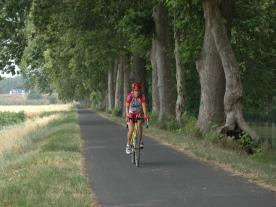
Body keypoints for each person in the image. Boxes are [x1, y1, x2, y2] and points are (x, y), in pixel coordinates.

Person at [125, 82, 148, 154]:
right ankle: (128, 145)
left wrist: (145, 115)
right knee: (131, 129)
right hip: (131, 113)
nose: (137, 92)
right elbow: (127, 107)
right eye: (136, 91)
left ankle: (141, 141)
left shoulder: (142, 96)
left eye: (138, 91)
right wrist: (127, 115)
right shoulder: (129, 96)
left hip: (138, 113)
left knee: (140, 125)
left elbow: (144, 106)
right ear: (133, 91)